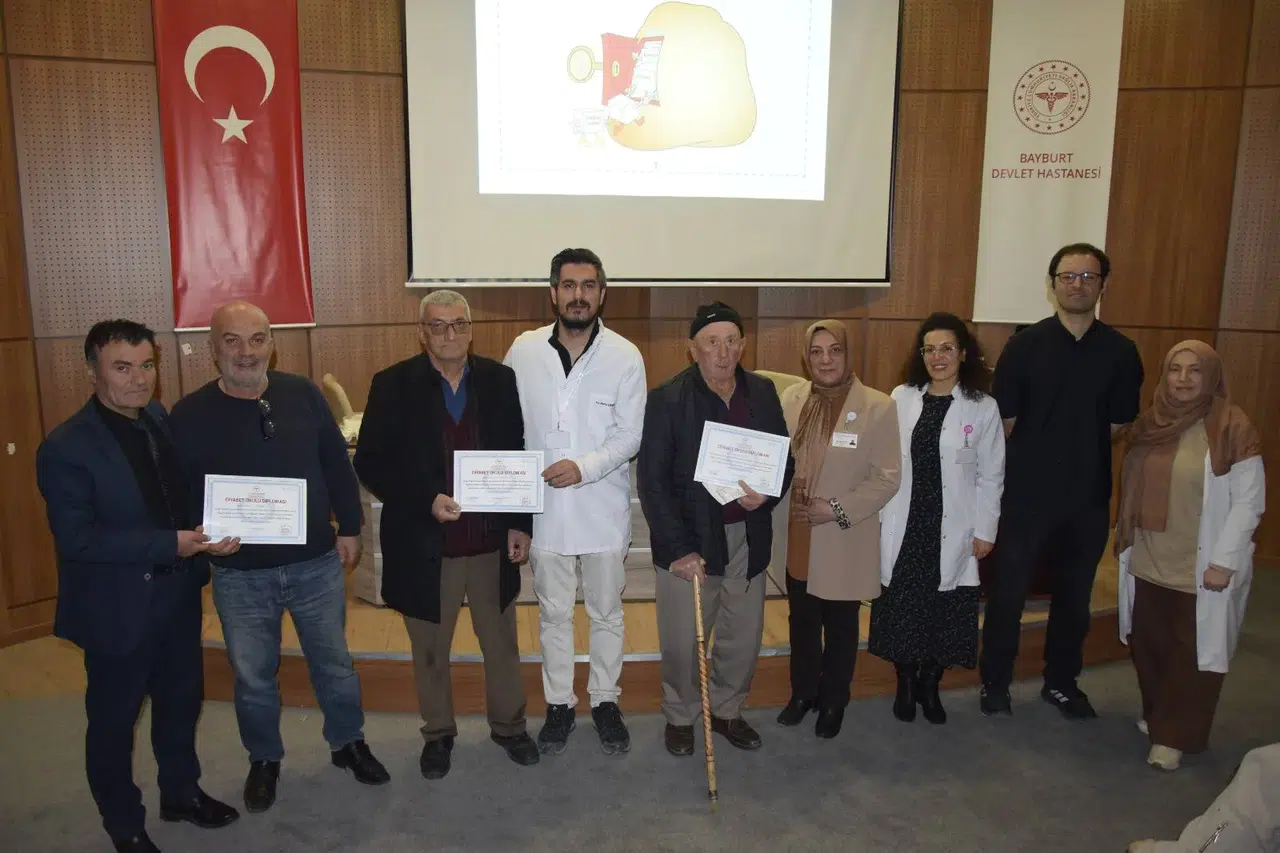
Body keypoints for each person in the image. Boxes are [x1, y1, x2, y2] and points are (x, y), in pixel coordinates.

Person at [169, 301, 388, 813]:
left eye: (257, 339)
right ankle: (264, 759)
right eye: (232, 340)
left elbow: (335, 463)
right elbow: (182, 493)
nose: (245, 352)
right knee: (252, 676)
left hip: (315, 565)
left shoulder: (302, 394)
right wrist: (203, 537)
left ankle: (348, 743)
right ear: (213, 349)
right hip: (239, 574)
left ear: (272, 344)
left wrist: (350, 527)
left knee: (334, 664)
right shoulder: (189, 414)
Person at [36, 320, 240, 853]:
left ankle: (181, 794)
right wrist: (171, 544)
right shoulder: (66, 447)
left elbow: (172, 498)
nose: (139, 379)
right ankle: (124, 825)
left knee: (180, 703)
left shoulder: (156, 418)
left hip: (177, 597)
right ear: (93, 372)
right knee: (113, 724)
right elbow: (78, 540)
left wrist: (208, 535)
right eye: (122, 368)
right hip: (118, 609)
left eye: (146, 365)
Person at [354, 290, 539, 779]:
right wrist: (425, 499)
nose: (449, 334)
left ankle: (510, 727)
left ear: (471, 330)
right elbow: (369, 461)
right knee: (430, 649)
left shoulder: (499, 380)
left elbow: (516, 453)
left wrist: (520, 522)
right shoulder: (392, 384)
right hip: (425, 545)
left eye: (458, 324)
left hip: (488, 542)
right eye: (437, 325)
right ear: (422, 333)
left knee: (501, 644)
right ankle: (438, 734)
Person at [979, 242, 1144, 719]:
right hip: (1025, 497)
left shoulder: (1121, 351)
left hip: (1086, 497)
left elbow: (1119, 425)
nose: (1077, 285)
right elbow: (1004, 422)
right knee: (1008, 594)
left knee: (1075, 598)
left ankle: (1061, 683)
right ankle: (995, 682)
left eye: (1088, 277)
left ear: (1103, 285)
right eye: (1068, 276)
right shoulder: (1024, 345)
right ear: (1052, 285)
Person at [503, 249, 646, 756]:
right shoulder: (523, 351)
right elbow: (507, 424)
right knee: (553, 614)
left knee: (607, 613)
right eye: (568, 286)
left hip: (601, 509)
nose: (578, 295)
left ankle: (605, 701)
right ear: (553, 293)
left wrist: (583, 467)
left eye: (588, 286)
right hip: (545, 511)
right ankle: (559, 704)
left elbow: (630, 435)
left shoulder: (625, 356)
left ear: (602, 294)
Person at [638, 301, 794, 756]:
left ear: (743, 345)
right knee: (683, 638)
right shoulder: (668, 399)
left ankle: (726, 709)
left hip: (748, 533)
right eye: (712, 343)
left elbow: (784, 459)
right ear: (693, 349)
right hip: (690, 541)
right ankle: (681, 714)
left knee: (742, 634)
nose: (722, 353)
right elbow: (652, 482)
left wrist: (768, 494)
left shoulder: (762, 392)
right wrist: (678, 548)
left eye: (731, 342)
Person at [1116, 341, 1264, 771]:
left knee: (1193, 653)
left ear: (1211, 376)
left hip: (1200, 563)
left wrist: (1224, 561)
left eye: (1194, 370)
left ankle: (1175, 736)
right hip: (1148, 556)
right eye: (1175, 369)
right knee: (1150, 645)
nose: (1183, 379)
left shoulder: (1231, 427)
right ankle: (1160, 717)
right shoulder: (1151, 422)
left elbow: (1249, 501)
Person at [869, 312, 1004, 725]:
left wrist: (986, 531)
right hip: (906, 522)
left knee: (944, 611)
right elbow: (882, 458)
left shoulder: (982, 407)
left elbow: (991, 475)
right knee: (904, 608)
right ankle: (905, 682)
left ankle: (930, 684)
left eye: (947, 348)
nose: (937, 357)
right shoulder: (902, 397)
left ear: (963, 353)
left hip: (954, 525)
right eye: (929, 349)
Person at [770, 319, 900, 738]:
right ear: (806, 358)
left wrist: (837, 509)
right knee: (802, 620)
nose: (825, 360)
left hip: (843, 533)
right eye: (816, 351)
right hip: (799, 532)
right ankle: (802, 693)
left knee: (841, 626)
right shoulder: (792, 399)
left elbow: (887, 478)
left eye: (835, 350)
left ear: (848, 354)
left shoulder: (878, 406)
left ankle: (833, 702)